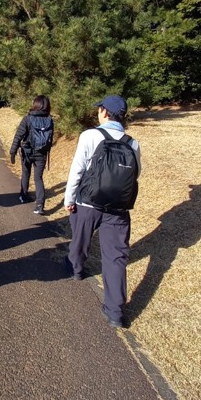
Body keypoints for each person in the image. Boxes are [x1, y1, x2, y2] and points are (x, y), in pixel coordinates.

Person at [63, 94, 141, 328]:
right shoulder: (132, 142)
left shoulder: (90, 135)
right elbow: (136, 174)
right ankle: (115, 311)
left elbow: (77, 169)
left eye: (100, 109)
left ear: (105, 113)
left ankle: (76, 269)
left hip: (88, 202)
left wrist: (69, 198)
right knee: (116, 257)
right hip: (118, 208)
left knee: (80, 239)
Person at [9, 95, 54, 215]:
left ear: (35, 104)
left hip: (27, 152)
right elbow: (50, 139)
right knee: (38, 178)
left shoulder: (28, 119)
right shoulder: (49, 120)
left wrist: (12, 152)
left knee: (26, 173)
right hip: (42, 153)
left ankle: (23, 196)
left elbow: (18, 136)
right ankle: (40, 205)